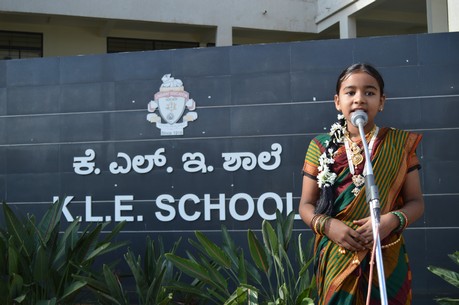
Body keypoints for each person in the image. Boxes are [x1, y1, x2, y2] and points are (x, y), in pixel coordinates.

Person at [298, 63, 424, 305]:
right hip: (337, 252)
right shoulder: (321, 146)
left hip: (386, 251)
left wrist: (391, 221)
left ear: (382, 101)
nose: (359, 99)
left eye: (369, 92)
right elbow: (306, 204)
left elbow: (416, 202)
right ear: (337, 101)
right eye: (350, 92)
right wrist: (328, 226)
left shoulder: (399, 143)